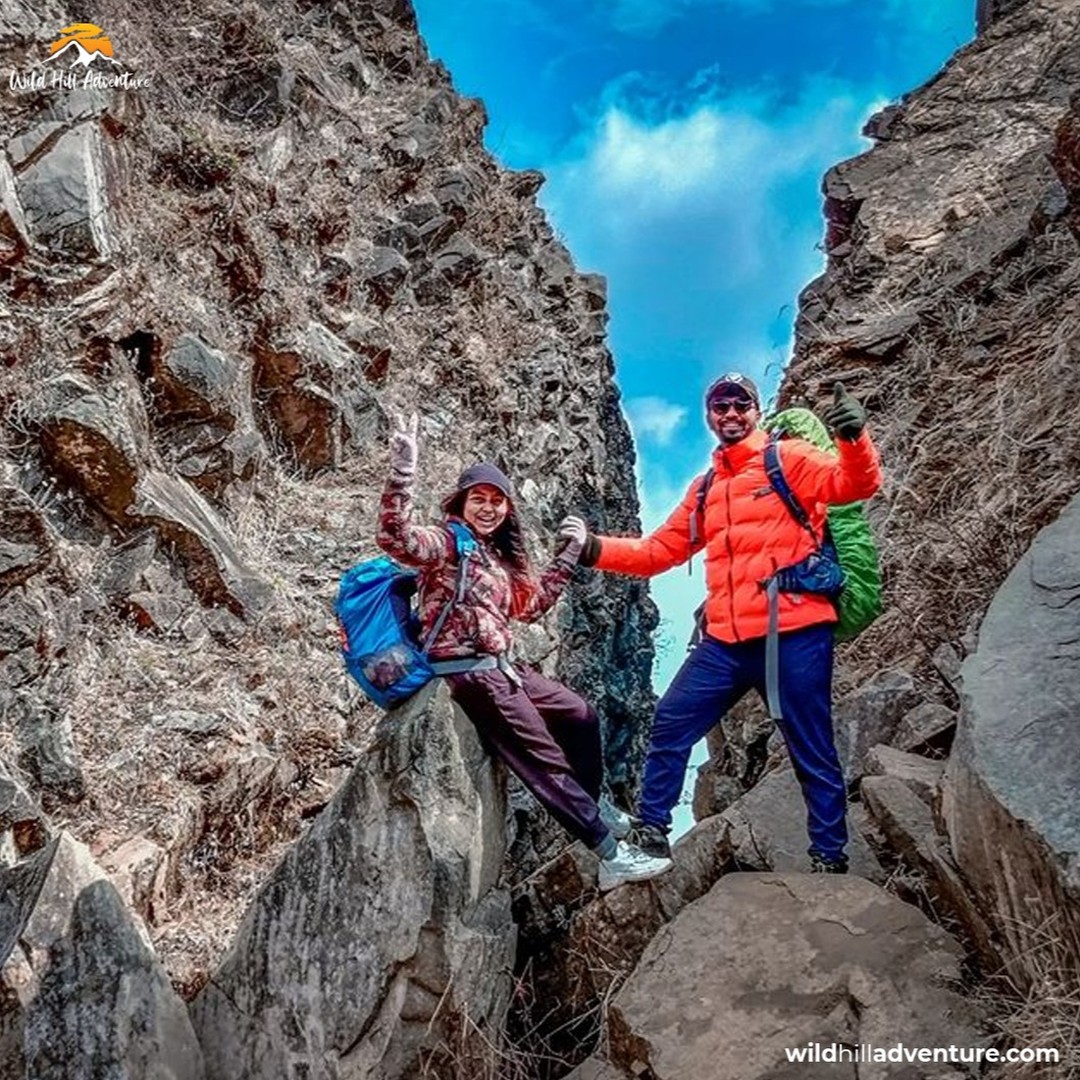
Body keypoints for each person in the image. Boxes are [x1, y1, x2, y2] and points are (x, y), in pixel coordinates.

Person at [571, 374, 882, 873]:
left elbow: (855, 483)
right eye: (720, 406)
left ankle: (829, 856)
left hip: (795, 634)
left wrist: (852, 439)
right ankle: (653, 835)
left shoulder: (790, 460)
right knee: (671, 720)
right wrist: (592, 549)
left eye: (741, 404)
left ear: (756, 411)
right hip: (727, 642)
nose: (730, 413)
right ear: (710, 416)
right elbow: (657, 552)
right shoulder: (707, 487)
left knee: (811, 746)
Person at [376, 414, 672, 892]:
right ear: (462, 503)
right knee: (544, 760)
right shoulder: (448, 543)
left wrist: (569, 555)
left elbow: (529, 607)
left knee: (580, 715)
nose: (489, 508)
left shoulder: (491, 557)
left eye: (497, 501)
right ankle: (610, 855)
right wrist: (403, 473)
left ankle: (594, 801)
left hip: (504, 668)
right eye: (480, 499)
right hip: (468, 673)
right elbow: (397, 539)